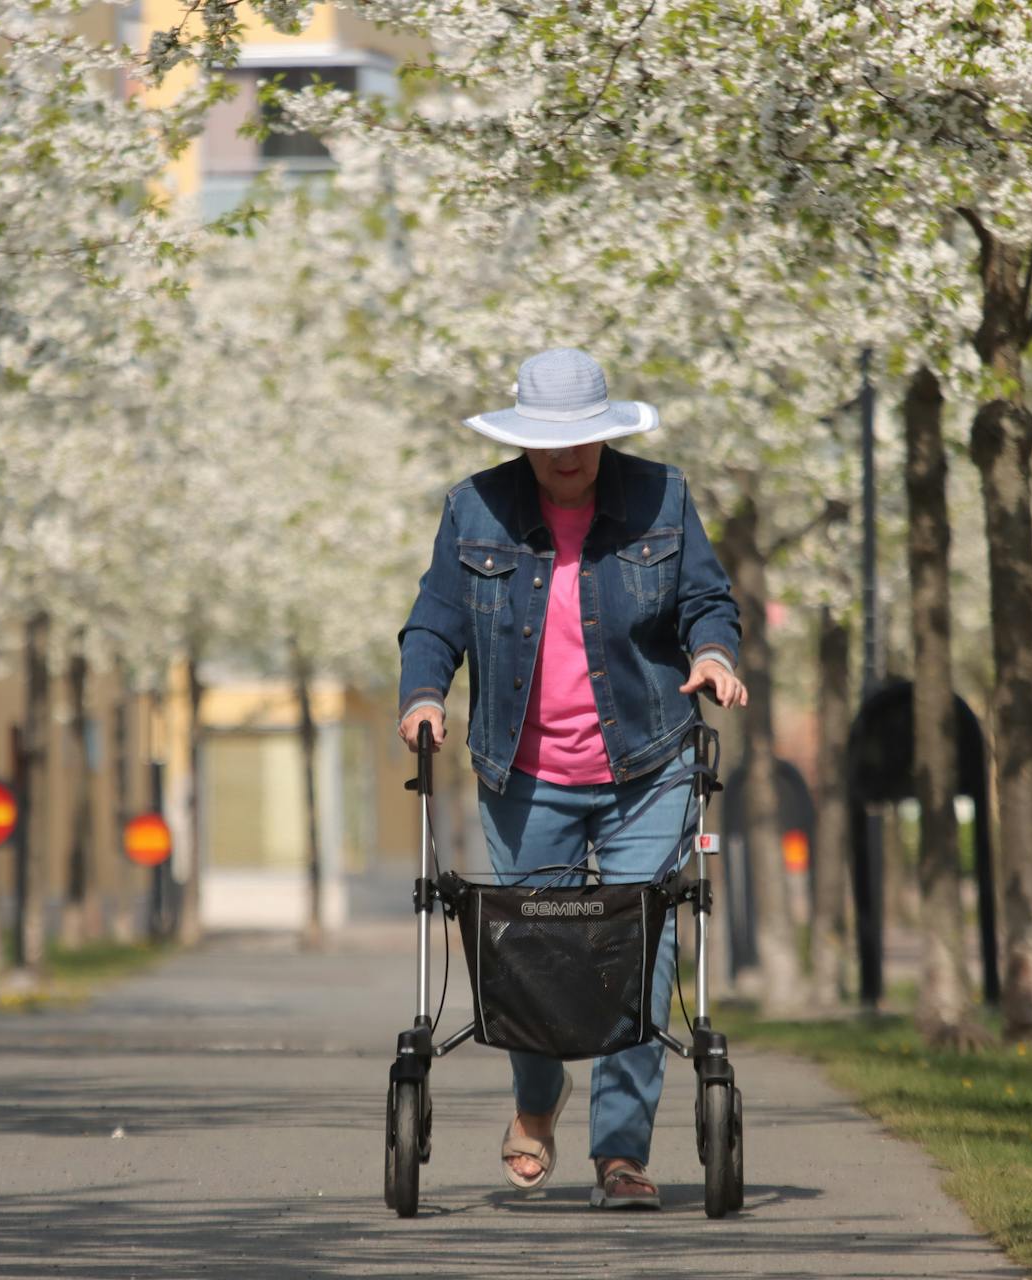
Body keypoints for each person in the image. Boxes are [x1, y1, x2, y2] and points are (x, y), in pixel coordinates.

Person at [397, 347, 746, 1209]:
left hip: (648, 764)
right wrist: (425, 697)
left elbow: (709, 599)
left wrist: (711, 652)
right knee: (535, 949)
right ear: (523, 440)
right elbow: (435, 620)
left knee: (641, 945)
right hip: (525, 773)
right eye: (550, 442)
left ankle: (622, 1155)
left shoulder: (661, 496)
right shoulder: (474, 508)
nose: (567, 457)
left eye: (582, 441)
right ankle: (537, 1101)